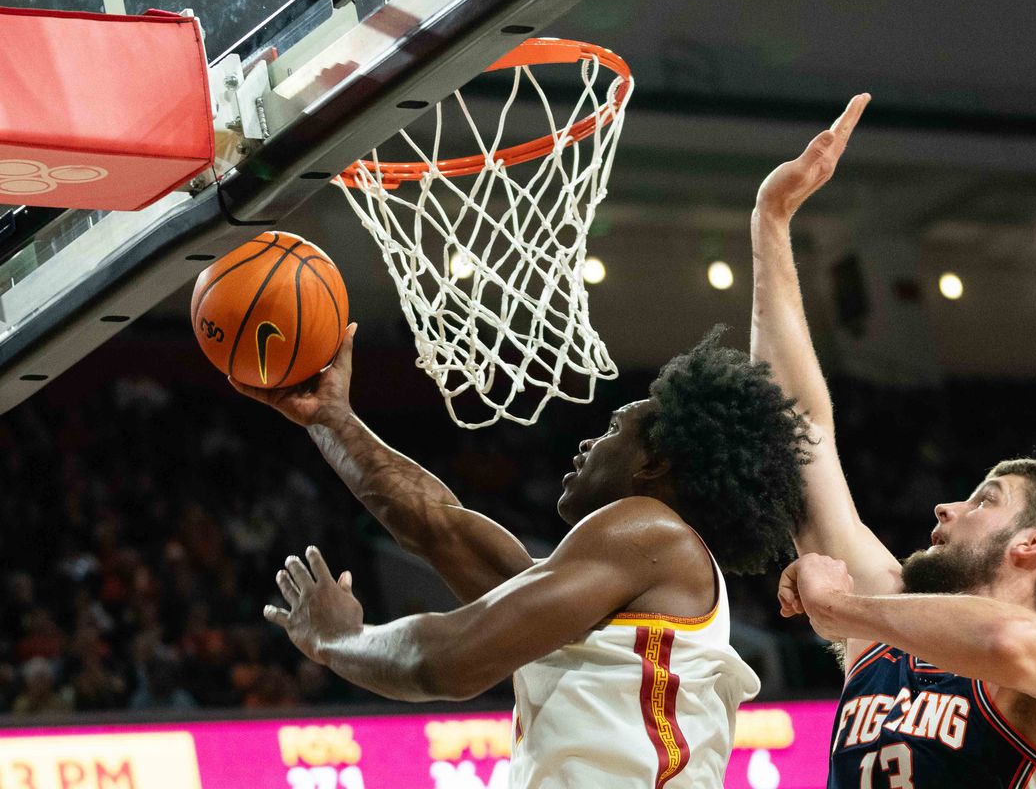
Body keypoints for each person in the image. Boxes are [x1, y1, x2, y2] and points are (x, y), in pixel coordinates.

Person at [232, 324, 807, 788]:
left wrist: (336, 639)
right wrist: (331, 418)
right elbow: (440, 528)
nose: (589, 442)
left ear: (653, 464)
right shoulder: (624, 581)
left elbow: (451, 661)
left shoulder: (648, 532)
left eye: (614, 428)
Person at [752, 95, 1036, 788]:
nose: (945, 510)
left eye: (985, 499)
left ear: (1034, 542)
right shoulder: (888, 623)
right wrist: (771, 222)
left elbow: (1004, 641)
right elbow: (797, 436)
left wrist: (840, 610)